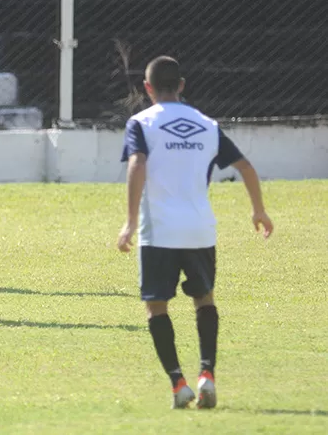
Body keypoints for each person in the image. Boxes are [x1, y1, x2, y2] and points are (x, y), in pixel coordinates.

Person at [117, 55, 274, 409]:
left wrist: (129, 221)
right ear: (182, 85)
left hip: (159, 232)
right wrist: (259, 210)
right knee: (204, 299)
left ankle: (178, 384)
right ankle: (207, 375)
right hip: (200, 230)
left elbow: (137, 164)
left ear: (147, 88)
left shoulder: (141, 123)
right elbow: (246, 167)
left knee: (156, 306)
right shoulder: (206, 124)